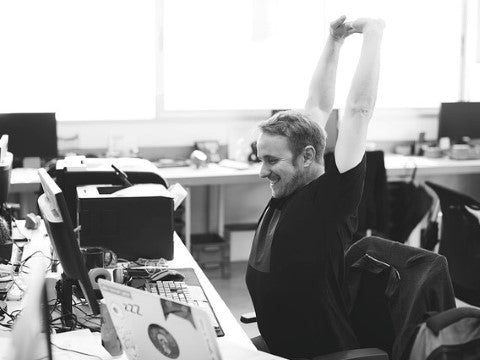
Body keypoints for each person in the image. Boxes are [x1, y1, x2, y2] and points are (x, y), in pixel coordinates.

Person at [245, 16, 385, 359]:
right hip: (279, 345)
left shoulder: (330, 197)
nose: (263, 171)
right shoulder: (289, 189)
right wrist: (334, 42)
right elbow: (318, 105)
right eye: (260, 159)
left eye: (272, 161)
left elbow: (358, 111)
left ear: (307, 156)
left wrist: (373, 32)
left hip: (318, 353)